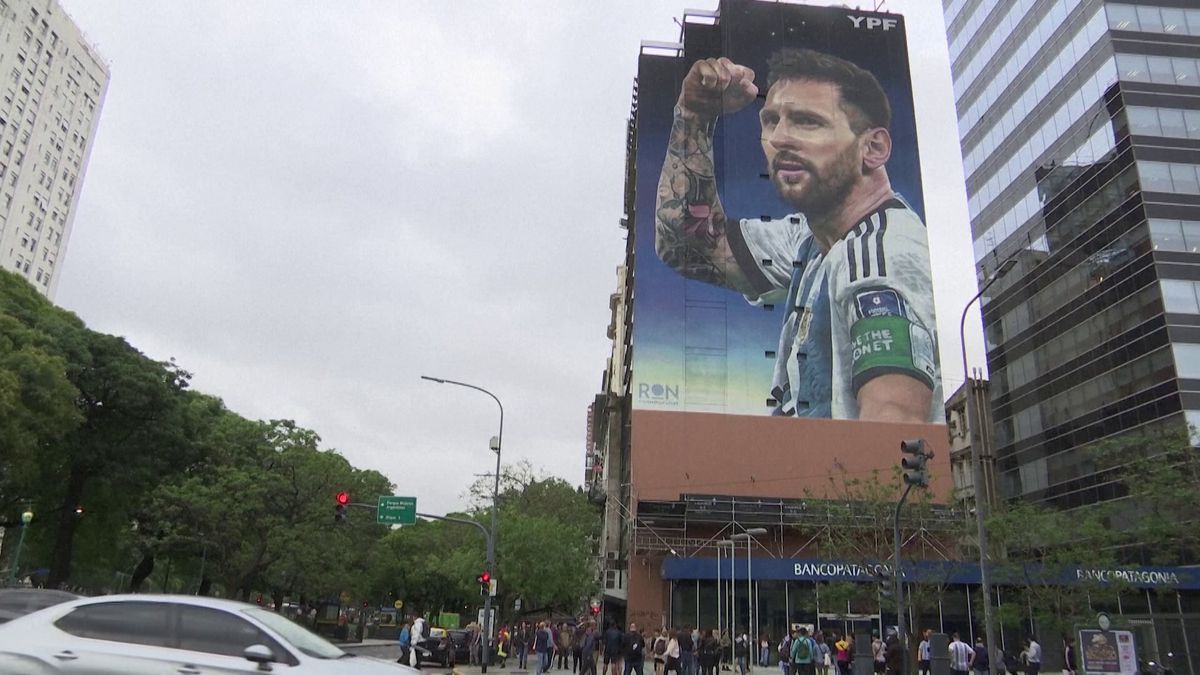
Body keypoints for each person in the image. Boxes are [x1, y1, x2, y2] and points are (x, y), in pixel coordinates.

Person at [654, 47, 940, 422]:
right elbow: (686, 241)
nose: (780, 139)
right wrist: (694, 114)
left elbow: (895, 426)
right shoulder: (811, 239)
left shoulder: (882, 256)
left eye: (807, 121)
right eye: (771, 121)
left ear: (874, 148)